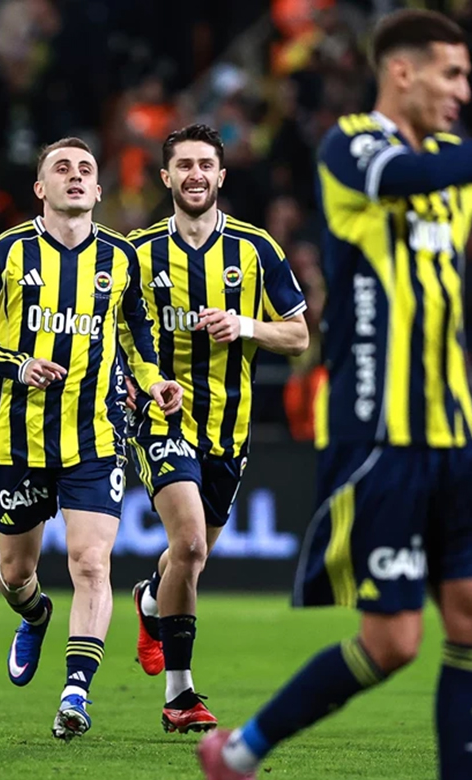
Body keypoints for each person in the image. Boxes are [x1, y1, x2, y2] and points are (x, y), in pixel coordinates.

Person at [197, 11, 472, 780]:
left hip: (451, 432)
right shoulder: (350, 147)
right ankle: (239, 752)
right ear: (402, 72)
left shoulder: (452, 158)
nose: (464, 91)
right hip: (378, 432)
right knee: (393, 643)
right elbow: (410, 179)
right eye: (452, 74)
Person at [0, 137, 182, 739]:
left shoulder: (121, 258)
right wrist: (16, 363)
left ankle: (76, 693)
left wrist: (153, 381)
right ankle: (34, 615)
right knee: (14, 573)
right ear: (40, 188)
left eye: (85, 170)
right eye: (62, 168)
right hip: (21, 438)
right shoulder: (8, 251)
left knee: (91, 562)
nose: (75, 176)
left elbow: (137, 334)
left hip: (96, 435)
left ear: (99, 190)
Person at [125, 123, 309, 733]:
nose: (195, 174)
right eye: (184, 165)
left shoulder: (256, 249)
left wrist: (246, 325)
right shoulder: (137, 252)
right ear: (166, 177)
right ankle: (180, 697)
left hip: (230, 428)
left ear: (221, 176)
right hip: (161, 417)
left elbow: (299, 335)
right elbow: (112, 328)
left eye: (206, 164)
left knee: (190, 559)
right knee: (191, 546)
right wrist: (136, 379)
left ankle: (150, 600)